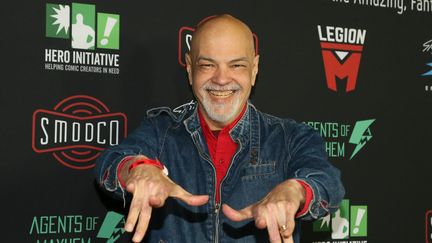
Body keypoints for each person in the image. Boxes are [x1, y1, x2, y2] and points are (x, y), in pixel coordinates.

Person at [95, 14, 344, 243]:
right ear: (190, 69)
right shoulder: (161, 131)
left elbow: (328, 184)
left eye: (236, 65)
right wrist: (137, 169)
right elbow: (110, 163)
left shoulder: (290, 137)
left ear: (254, 70)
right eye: (207, 65)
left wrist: (295, 191)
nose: (222, 79)